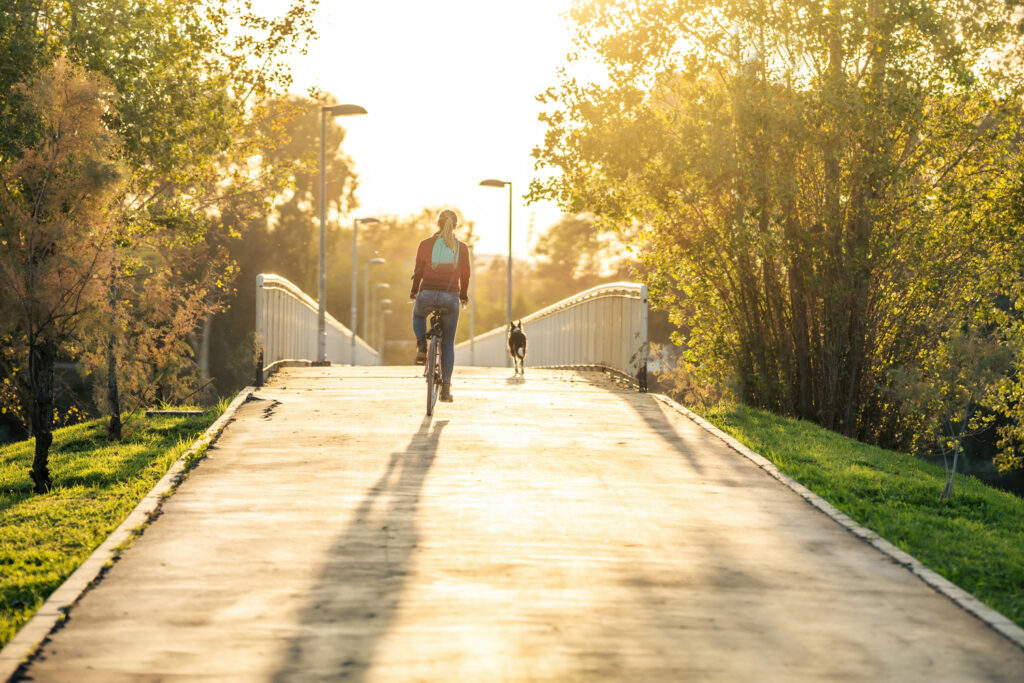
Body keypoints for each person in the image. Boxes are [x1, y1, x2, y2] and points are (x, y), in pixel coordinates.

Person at [410, 209, 470, 402]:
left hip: (426, 294)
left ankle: (421, 344)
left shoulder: (425, 244)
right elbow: (465, 275)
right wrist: (463, 296)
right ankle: (445, 390)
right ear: (455, 225)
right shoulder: (461, 247)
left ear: (438, 224)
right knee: (448, 344)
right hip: (450, 298)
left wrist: (414, 291)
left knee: (419, 316)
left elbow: (418, 271)